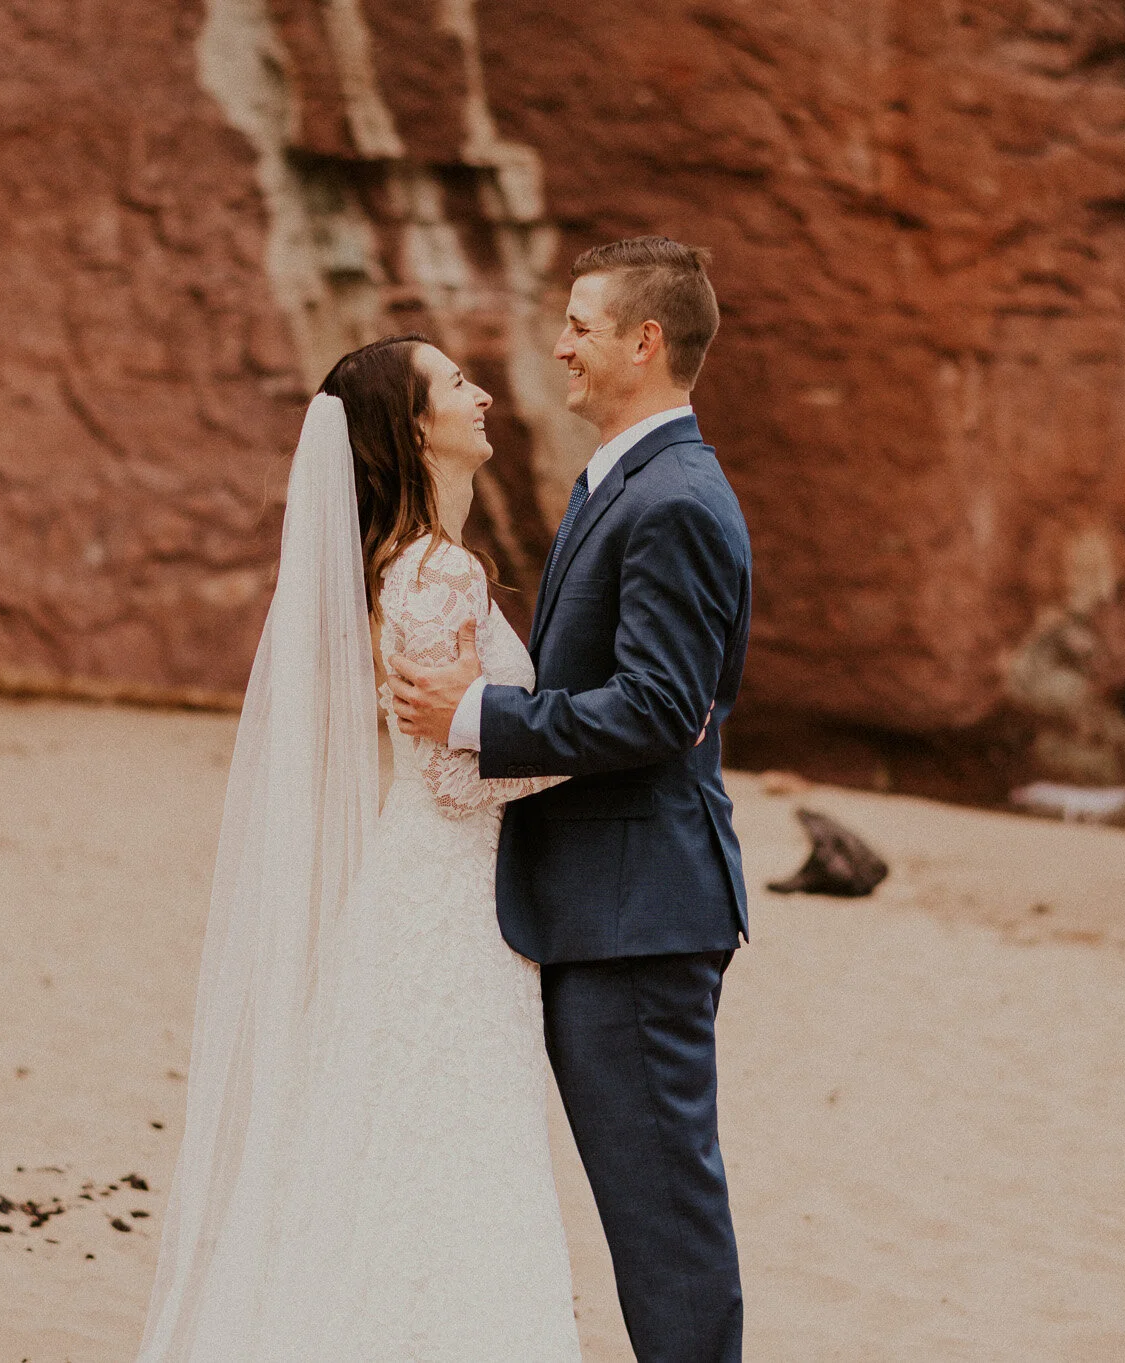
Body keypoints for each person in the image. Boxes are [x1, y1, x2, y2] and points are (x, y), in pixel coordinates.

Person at [136, 333, 582, 1360]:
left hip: (431, 886)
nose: (479, 398)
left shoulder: (411, 566)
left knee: (407, 1146)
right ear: (412, 427)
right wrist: (609, 749)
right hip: (451, 895)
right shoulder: (435, 573)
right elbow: (453, 773)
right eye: (454, 386)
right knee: (451, 1145)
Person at [390, 235, 753, 1363]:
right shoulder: (623, 481)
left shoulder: (676, 499)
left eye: (582, 325)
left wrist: (473, 718)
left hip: (638, 915)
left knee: (663, 1226)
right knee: (644, 1214)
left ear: (647, 341)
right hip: (601, 904)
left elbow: (655, 709)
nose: (559, 346)